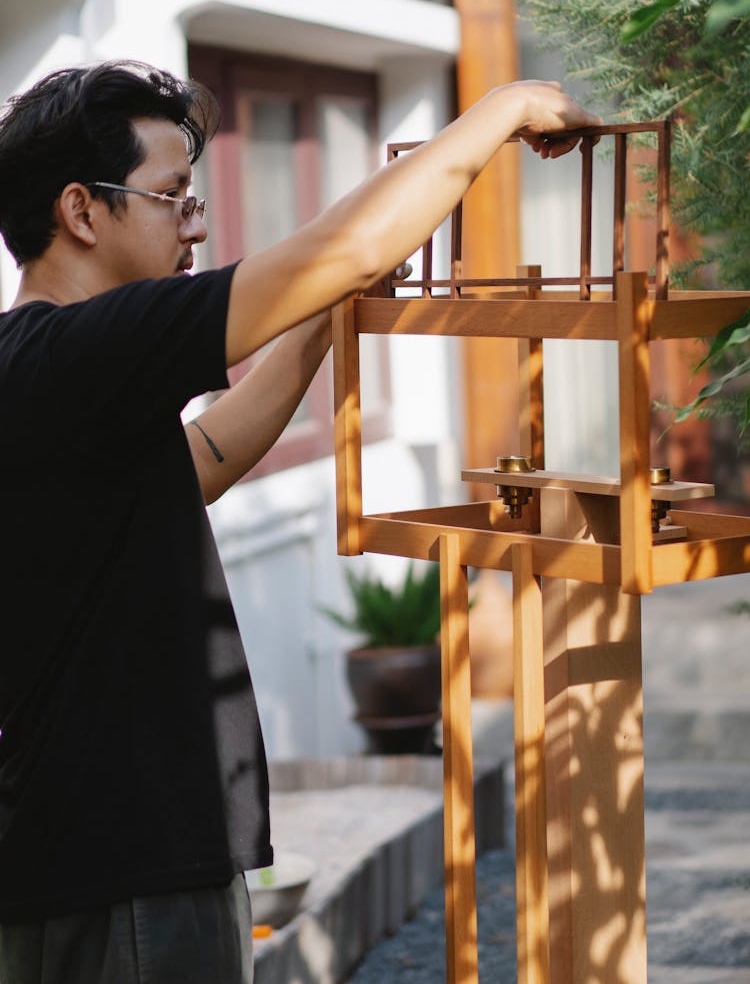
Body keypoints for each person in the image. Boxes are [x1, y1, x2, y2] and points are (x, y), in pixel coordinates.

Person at [0, 60, 599, 983]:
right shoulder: (76, 350)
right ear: (81, 211)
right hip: (122, 882)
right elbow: (340, 249)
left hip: (102, 865)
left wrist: (319, 322)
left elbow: (204, 460)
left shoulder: (55, 373)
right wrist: (506, 109)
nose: (193, 220)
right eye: (170, 195)